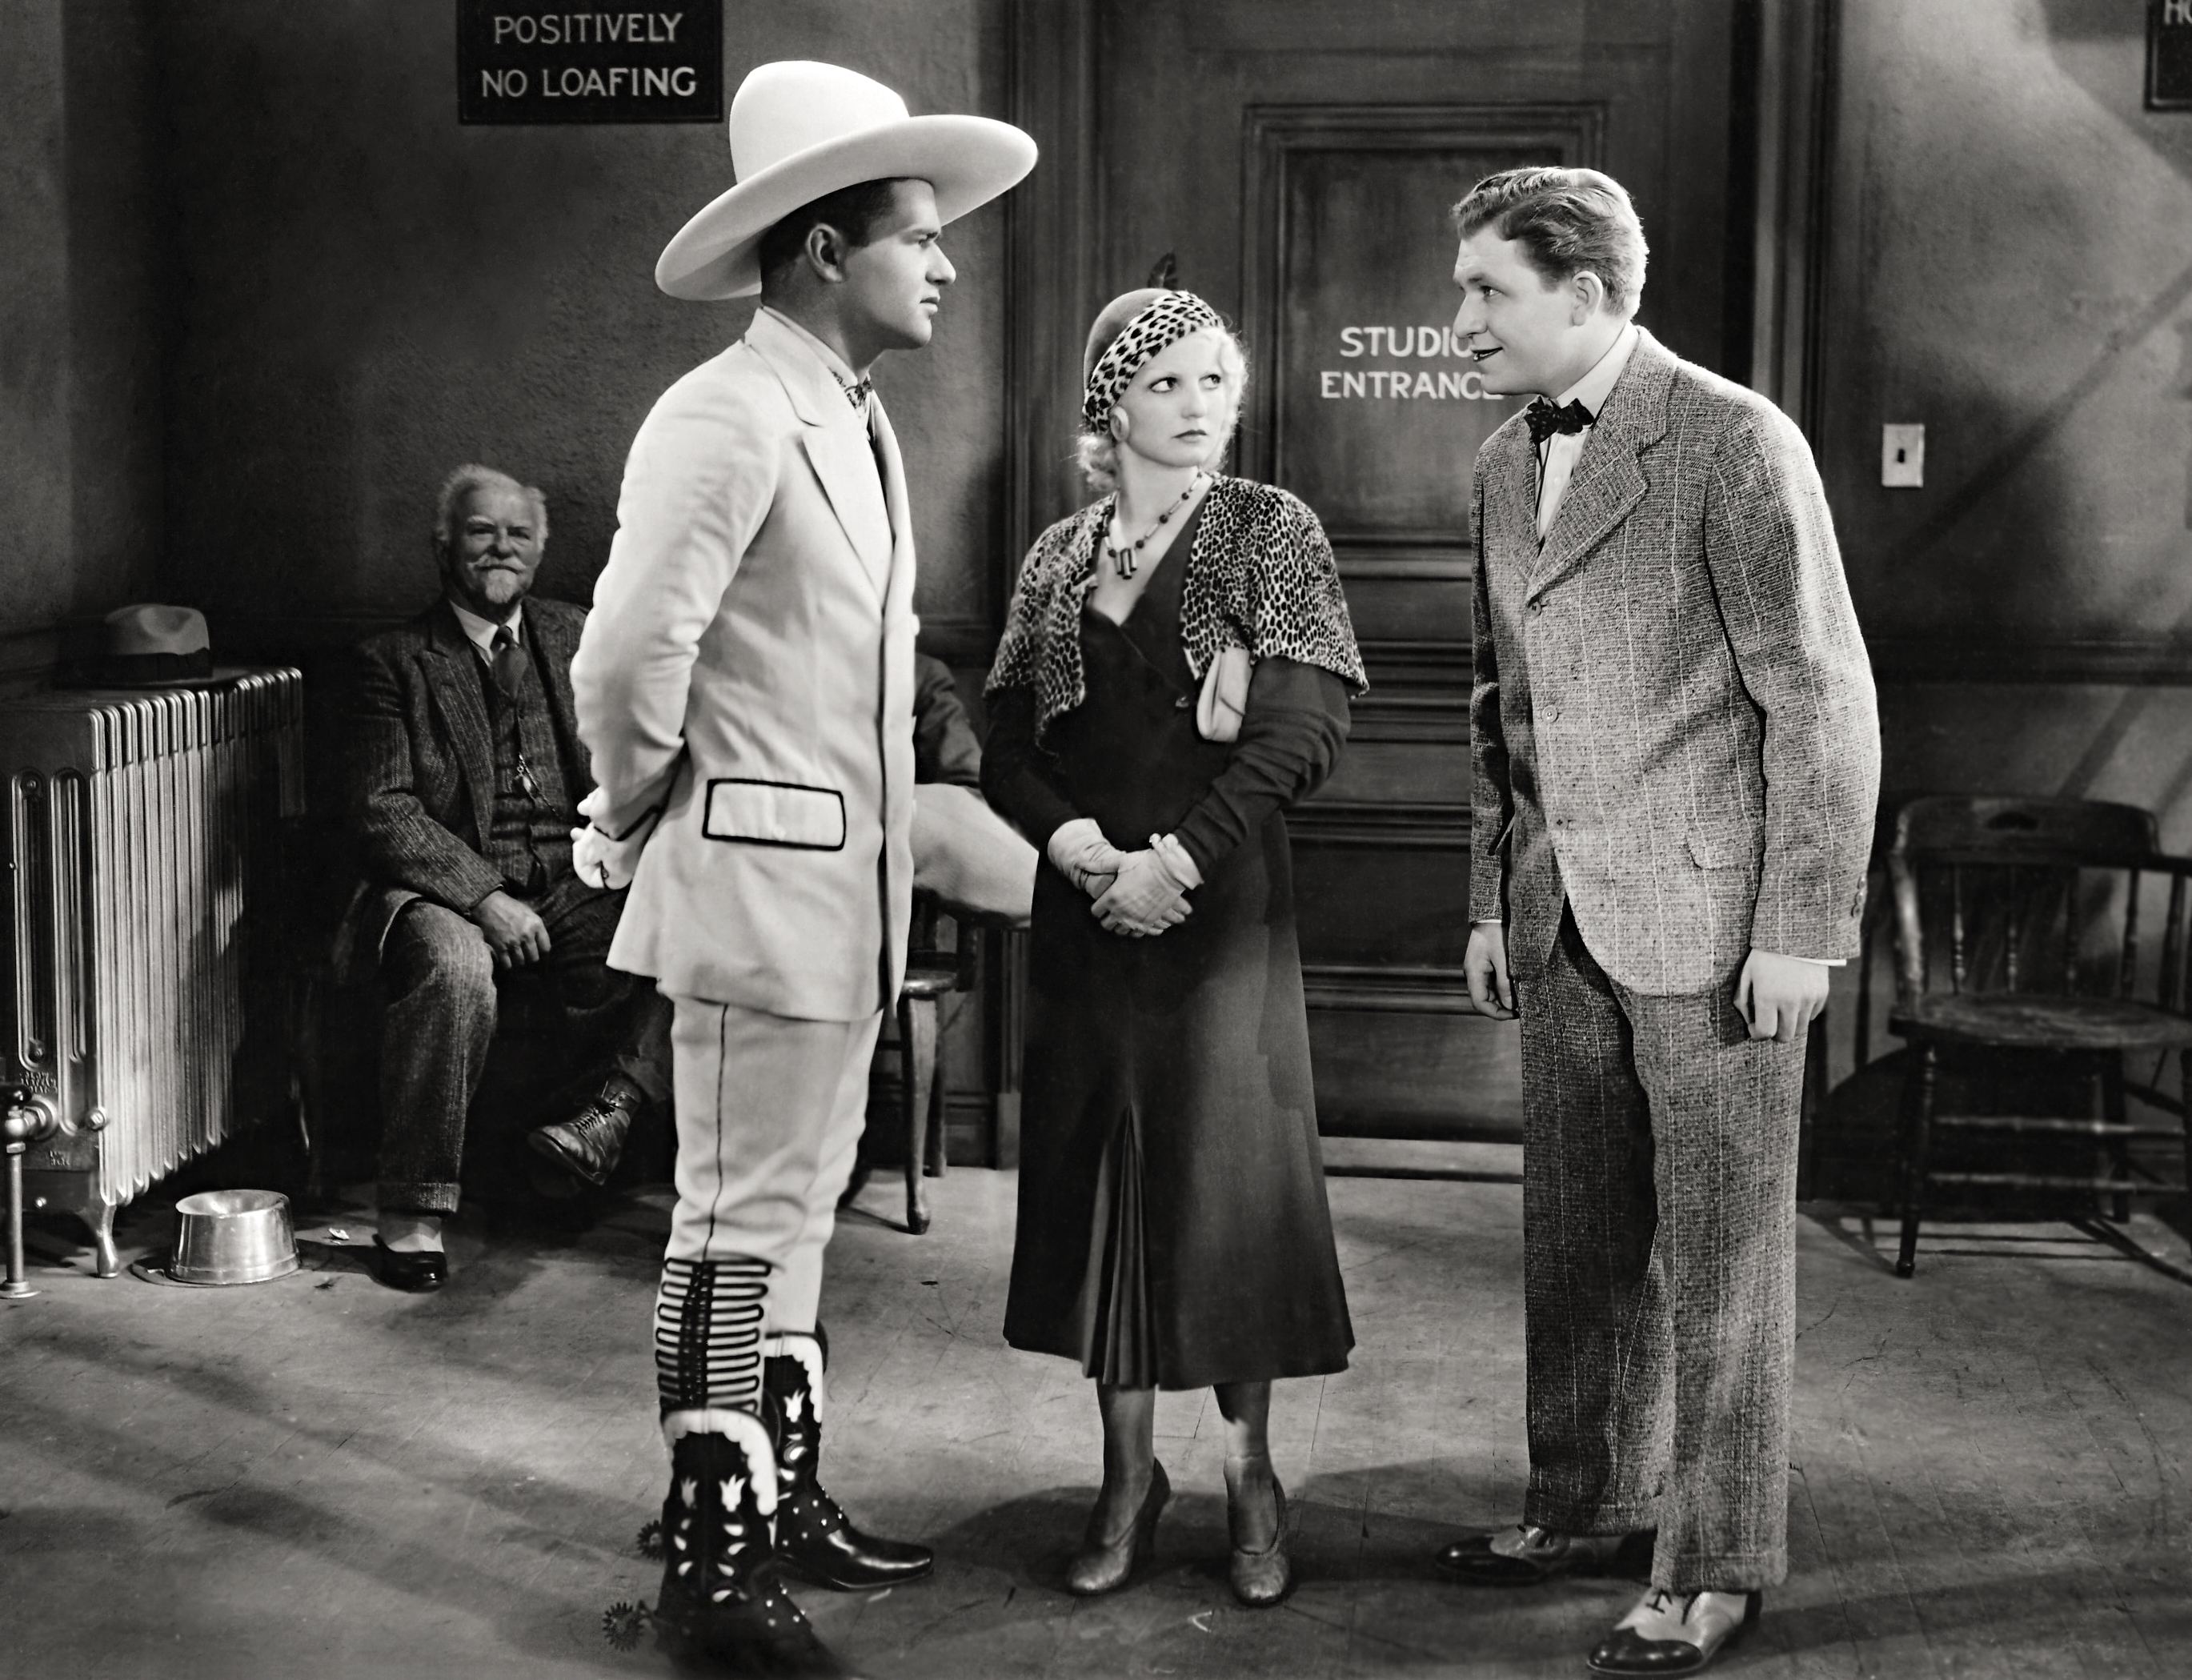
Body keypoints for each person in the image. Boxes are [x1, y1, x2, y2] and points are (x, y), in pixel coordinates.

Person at [567, 61, 1035, 1677]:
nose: (945, 262)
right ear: (827, 250)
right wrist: (639, 809)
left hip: (845, 898)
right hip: (754, 894)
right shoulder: (725, 410)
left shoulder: (849, 413)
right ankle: (709, 1559)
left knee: (797, 1214)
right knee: (729, 1223)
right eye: (918, 235)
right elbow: (629, 657)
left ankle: (777, 1494)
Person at [1443, 166, 1879, 1675]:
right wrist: (1491, 896)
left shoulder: (1732, 438)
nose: (1459, 320)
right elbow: (1496, 708)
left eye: (1486, 290)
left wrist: (1800, 925)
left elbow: (1818, 701)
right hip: (1556, 917)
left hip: (1715, 927)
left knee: (1719, 1265)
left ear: (1581, 292)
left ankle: (1713, 1561)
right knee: (1574, 1243)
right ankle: (1581, 1501)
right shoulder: (1500, 462)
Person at [981, 289, 1366, 1609]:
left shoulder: (1268, 528)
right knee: (1105, 1189)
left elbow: (1301, 732)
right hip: (1088, 918)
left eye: (1215, 380)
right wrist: (1082, 851)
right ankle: (1124, 1475)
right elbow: (1004, 748)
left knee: (1223, 1192)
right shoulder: (1054, 558)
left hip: (1217, 917)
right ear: (1109, 407)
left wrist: (1174, 864)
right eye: (1166, 383)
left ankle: (1249, 1474)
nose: (1199, 403)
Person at [342, 464, 674, 1293]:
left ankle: (600, 1121)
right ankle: (412, 1209)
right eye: (481, 531)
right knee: (456, 969)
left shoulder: (577, 633)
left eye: (518, 534)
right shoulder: (391, 660)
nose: (501, 548)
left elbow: (637, 752)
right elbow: (385, 810)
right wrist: (485, 897)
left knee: (690, 916)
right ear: (443, 545)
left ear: (539, 549)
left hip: (574, 871)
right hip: (441, 891)